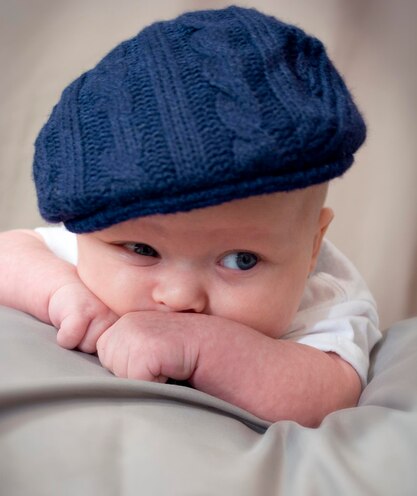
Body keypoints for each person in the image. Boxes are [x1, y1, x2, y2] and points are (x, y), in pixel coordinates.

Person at [0, 6, 381, 426]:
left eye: (241, 259)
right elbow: (9, 252)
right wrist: (60, 294)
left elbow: (332, 392)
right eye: (143, 249)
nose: (180, 297)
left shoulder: (325, 297)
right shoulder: (93, 243)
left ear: (312, 247)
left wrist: (201, 348)